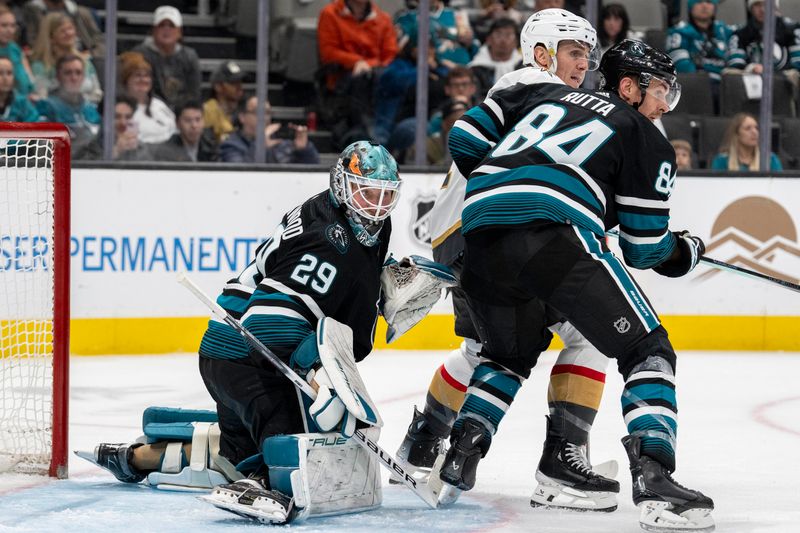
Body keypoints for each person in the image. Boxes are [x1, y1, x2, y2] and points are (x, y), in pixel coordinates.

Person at [439, 38, 715, 531]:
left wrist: (520, 179)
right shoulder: (644, 135)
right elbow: (644, 248)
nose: (662, 105)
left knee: (507, 355)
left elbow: (464, 138)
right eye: (658, 92)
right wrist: (685, 251)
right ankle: (654, 477)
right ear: (627, 87)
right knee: (648, 350)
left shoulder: (542, 94)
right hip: (549, 234)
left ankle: (459, 457)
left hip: (476, 232)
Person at [83, 141, 403, 524]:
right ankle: (258, 482)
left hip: (231, 354)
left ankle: (133, 459)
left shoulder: (364, 225)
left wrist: (383, 290)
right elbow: (265, 328)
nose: (376, 206)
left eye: (385, 196)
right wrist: (320, 373)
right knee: (293, 446)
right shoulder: (324, 239)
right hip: (242, 355)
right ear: (341, 185)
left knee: (234, 454)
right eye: (367, 193)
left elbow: (340, 302)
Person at [395, 8, 621, 513]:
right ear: (541, 54)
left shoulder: (537, 94)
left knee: (484, 350)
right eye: (574, 53)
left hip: (458, 234)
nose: (583, 65)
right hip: (496, 234)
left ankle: (423, 441)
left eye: (588, 55)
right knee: (590, 332)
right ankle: (565, 463)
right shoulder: (531, 85)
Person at [317, 0, 398, 148]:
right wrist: (356, 62)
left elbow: (390, 54)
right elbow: (328, 52)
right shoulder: (330, 14)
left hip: (377, 75)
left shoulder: (383, 18)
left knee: (394, 79)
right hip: (343, 77)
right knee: (362, 80)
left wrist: (368, 64)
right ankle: (366, 134)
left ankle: (383, 133)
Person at [666, 0, 731, 112]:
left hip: (727, 83)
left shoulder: (725, 31)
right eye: (699, 1)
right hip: (701, 85)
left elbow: (736, 55)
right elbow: (681, 65)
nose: (704, 5)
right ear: (691, 6)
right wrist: (703, 79)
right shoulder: (679, 32)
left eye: (709, 2)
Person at [133, 5, 201, 111]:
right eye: (161, 25)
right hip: (148, 110)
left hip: (182, 113)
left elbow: (194, 93)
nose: (166, 29)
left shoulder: (190, 56)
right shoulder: (139, 54)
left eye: (171, 26)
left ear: (179, 32)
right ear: (153, 30)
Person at [220, 95, 319, 164]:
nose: (265, 117)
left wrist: (304, 149)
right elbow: (238, 175)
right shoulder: (231, 145)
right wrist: (261, 144)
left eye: (268, 112)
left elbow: (311, 172)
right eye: (258, 112)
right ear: (242, 117)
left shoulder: (280, 142)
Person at [35, 53, 99, 157]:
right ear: (58, 76)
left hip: (91, 167)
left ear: (83, 77)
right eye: (68, 73)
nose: (74, 78)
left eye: (78, 73)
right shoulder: (46, 106)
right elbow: (42, 148)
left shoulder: (91, 108)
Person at [29, 12, 102, 103]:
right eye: (62, 31)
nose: (69, 33)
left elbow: (97, 92)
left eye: (70, 28)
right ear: (51, 37)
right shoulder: (40, 66)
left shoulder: (85, 61)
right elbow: (41, 96)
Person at [119, 51, 177, 145]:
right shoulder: (123, 110)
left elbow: (173, 131)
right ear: (126, 80)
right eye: (137, 75)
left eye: (146, 76)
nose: (143, 79)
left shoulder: (159, 105)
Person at [727, 0, 800, 73]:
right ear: (751, 8)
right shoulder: (741, 33)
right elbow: (735, 65)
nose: (762, 9)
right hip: (751, 81)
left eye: (767, 4)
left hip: (785, 81)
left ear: (775, 7)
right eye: (757, 5)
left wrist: (776, 72)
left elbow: (798, 63)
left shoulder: (792, 29)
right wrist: (750, 68)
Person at [21, 0, 104, 57]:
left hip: (84, 57)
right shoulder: (33, 11)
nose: (68, 33)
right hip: (52, 59)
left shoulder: (82, 13)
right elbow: (33, 43)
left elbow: (100, 42)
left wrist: (90, 54)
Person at [468, 18, 523, 99]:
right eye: (498, 35)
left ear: (516, 42)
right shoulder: (475, 69)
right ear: (488, 39)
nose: (503, 40)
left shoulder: (524, 68)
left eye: (508, 35)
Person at [711, 112, 783, 171]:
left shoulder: (770, 160)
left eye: (756, 128)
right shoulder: (722, 161)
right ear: (737, 134)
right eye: (748, 128)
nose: (754, 132)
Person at [153, 100, 219, 162]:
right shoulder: (165, 152)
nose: (194, 125)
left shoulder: (212, 149)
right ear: (177, 124)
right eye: (188, 120)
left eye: (198, 120)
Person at [203, 60, 245, 143]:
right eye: (233, 83)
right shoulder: (209, 110)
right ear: (218, 86)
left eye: (240, 82)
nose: (239, 86)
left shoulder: (246, 108)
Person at [0, 5, 34, 98]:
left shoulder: (16, 49)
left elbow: (30, 80)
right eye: (4, 25)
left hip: (24, 101)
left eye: (12, 26)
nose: (10, 30)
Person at [0, 55, 39, 121]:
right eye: (0, 73)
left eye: (9, 73)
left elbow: (35, 122)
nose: (5, 78)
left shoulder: (22, 102)